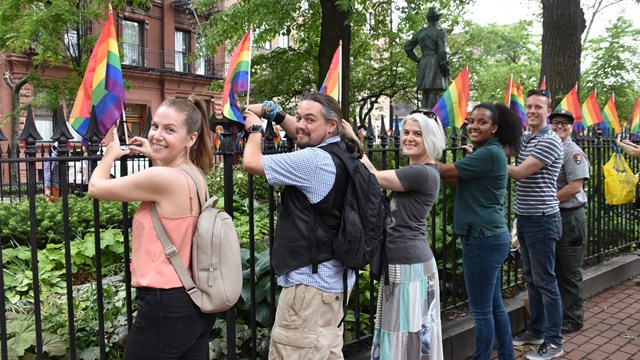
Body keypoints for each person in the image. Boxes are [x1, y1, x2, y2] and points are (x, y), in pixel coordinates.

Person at [88, 97, 215, 359]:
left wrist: (109, 155)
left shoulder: (162, 178)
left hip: (163, 301)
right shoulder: (194, 174)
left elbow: (95, 188)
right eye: (155, 126)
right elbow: (167, 187)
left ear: (191, 139)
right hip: (193, 299)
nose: (156, 134)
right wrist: (155, 151)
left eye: (170, 130)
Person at [240, 92, 363, 359]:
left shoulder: (314, 162)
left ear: (331, 125)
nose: (301, 125)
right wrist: (278, 115)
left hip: (309, 288)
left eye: (310, 119)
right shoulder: (344, 152)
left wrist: (254, 129)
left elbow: (251, 162)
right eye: (298, 117)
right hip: (335, 282)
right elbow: (301, 135)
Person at [344, 111, 446, 360]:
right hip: (408, 261)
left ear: (430, 138)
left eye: (417, 134)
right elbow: (375, 177)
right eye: (407, 132)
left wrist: (351, 141)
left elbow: (371, 179)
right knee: (406, 330)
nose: (409, 138)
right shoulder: (420, 170)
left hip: (409, 263)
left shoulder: (422, 172)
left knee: (406, 331)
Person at [438, 103, 522, 360]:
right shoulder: (488, 152)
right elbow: (456, 183)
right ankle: (506, 355)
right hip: (489, 236)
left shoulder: (488, 154)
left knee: (481, 309)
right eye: (471, 120)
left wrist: (424, 155)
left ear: (495, 128)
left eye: (482, 122)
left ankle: (482, 356)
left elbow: (446, 171)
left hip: (482, 238)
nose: (474, 125)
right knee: (494, 305)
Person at [507, 89, 564, 360]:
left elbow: (519, 172)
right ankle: (536, 330)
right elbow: (508, 148)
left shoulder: (550, 141)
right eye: (528, 106)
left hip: (543, 219)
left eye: (537, 107)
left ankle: (554, 341)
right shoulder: (527, 137)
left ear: (547, 112)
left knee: (546, 281)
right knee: (531, 279)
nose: (531, 110)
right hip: (526, 218)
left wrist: (490, 161)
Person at [550, 109, 590, 334]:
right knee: (555, 267)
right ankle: (560, 314)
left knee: (569, 270)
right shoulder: (551, 148)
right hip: (555, 214)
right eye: (555, 122)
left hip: (570, 217)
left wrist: (546, 200)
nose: (559, 126)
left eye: (565, 123)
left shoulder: (573, 152)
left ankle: (573, 318)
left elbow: (575, 187)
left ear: (571, 127)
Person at [404, 7, 450, 110]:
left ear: (428, 19)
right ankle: (434, 120)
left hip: (424, 63)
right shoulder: (440, 32)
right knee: (435, 93)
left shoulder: (420, 33)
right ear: (437, 19)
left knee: (426, 93)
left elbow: (407, 47)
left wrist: (417, 59)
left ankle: (426, 117)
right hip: (436, 63)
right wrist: (446, 68)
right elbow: (442, 52)